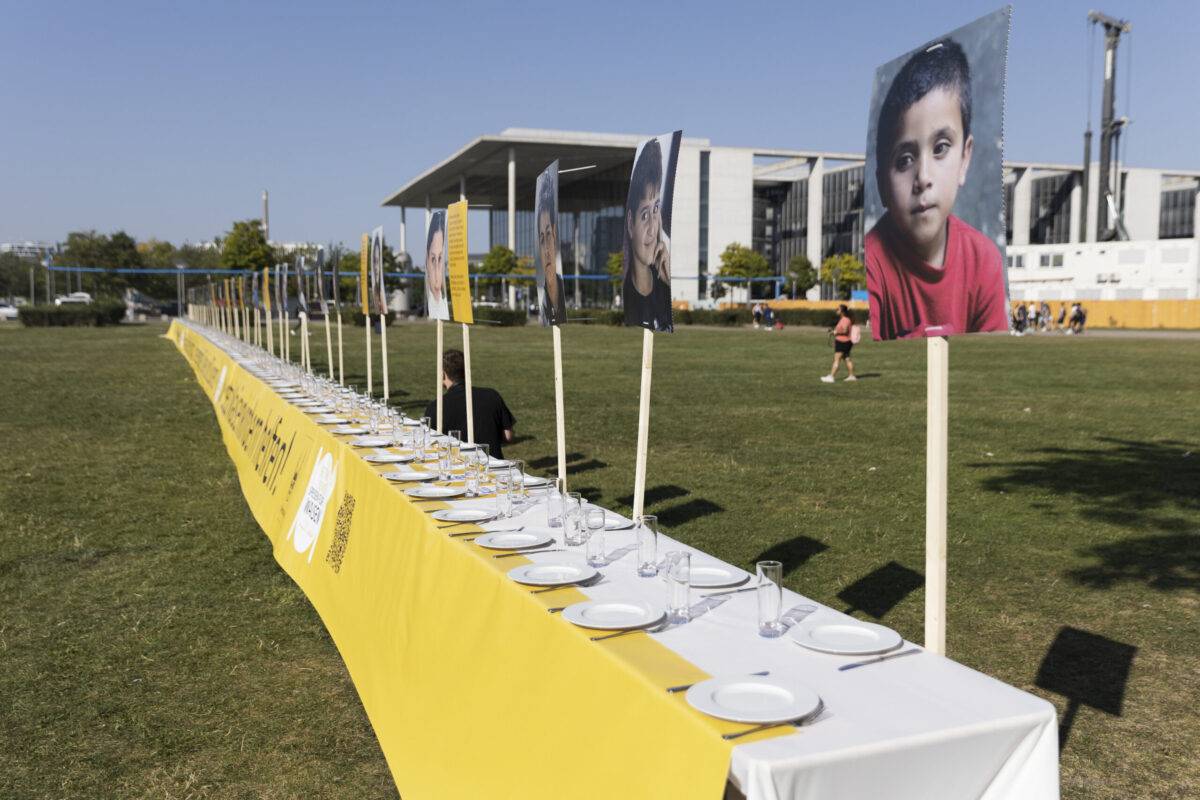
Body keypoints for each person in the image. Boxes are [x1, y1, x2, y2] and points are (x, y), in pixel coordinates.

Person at [865, 39, 1008, 340]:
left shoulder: (984, 260)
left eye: (941, 148)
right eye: (904, 160)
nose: (923, 177)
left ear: (965, 158)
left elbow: (993, 366)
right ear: (881, 184)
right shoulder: (874, 258)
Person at [423, 349, 515, 458]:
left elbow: (428, 445)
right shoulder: (492, 395)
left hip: (458, 468)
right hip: (493, 466)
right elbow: (508, 436)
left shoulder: (436, 407)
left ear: (442, 375)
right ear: (465, 372)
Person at [623, 137, 673, 332]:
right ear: (630, 223)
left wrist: (668, 280)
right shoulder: (629, 298)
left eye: (656, 209)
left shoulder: (664, 284)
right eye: (644, 215)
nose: (653, 228)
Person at [536, 175, 567, 326]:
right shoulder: (543, 302)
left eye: (549, 235)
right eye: (542, 239)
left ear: (556, 235)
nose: (547, 251)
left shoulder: (564, 294)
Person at [821, 304, 858, 383]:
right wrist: (834, 331)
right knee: (847, 359)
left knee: (836, 359)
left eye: (838, 309)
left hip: (842, 342)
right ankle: (851, 376)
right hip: (845, 342)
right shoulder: (845, 319)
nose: (836, 310)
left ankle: (831, 377)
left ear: (842, 311)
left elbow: (844, 331)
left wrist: (835, 332)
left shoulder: (845, 320)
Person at [424, 211, 450, 321]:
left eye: (440, 259)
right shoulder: (431, 303)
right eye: (433, 259)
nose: (436, 271)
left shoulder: (443, 304)